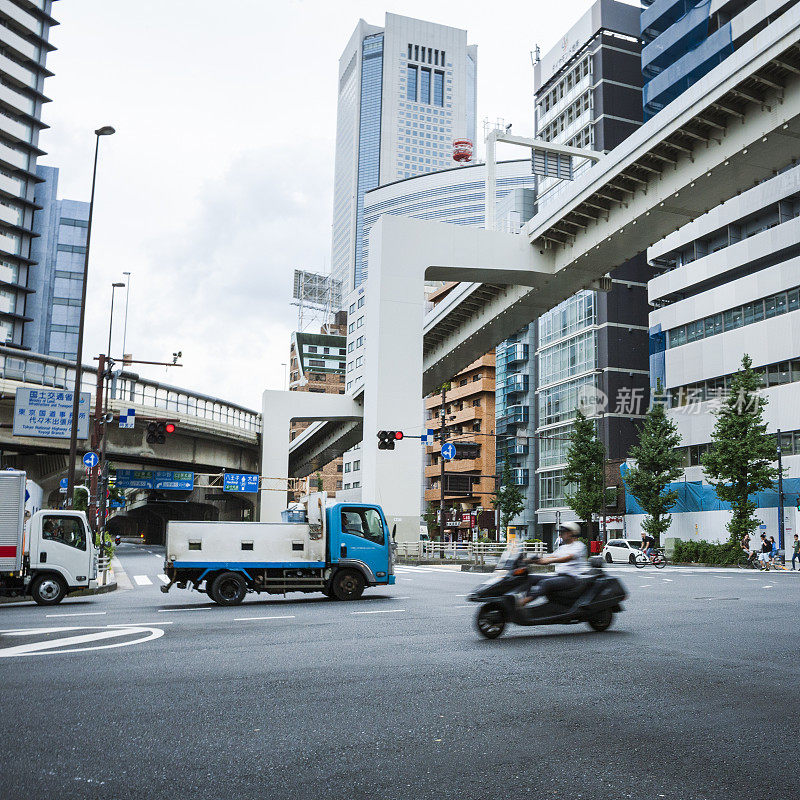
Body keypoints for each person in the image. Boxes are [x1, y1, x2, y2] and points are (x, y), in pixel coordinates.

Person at [518, 522, 588, 607]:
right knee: (530, 578)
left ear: (570, 533)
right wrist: (529, 560)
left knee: (545, 583)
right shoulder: (562, 547)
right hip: (559, 576)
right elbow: (551, 557)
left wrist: (549, 561)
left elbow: (568, 558)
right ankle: (522, 601)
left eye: (563, 533)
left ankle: (523, 602)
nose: (560, 535)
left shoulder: (579, 546)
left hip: (572, 579)